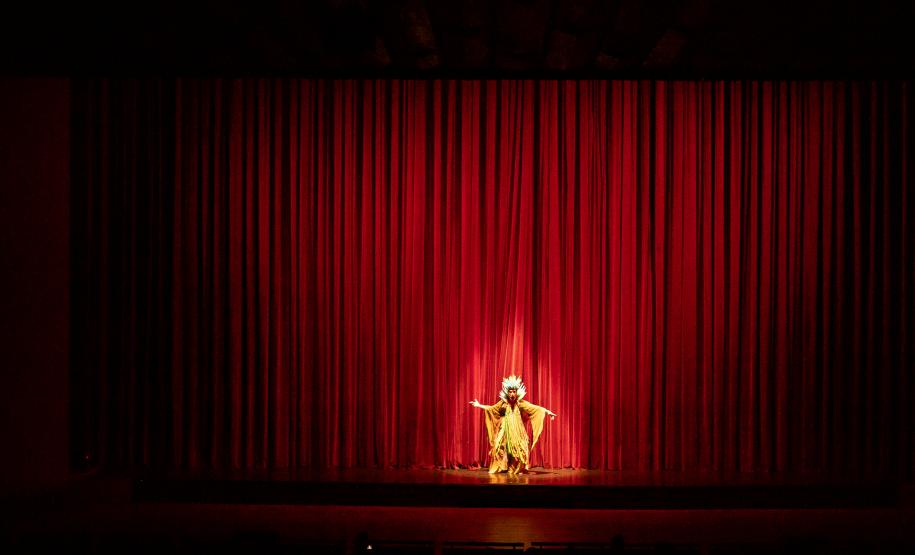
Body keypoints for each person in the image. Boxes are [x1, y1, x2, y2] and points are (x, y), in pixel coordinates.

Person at [469, 374, 557, 474]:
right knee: (499, 447)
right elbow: (492, 409)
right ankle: (502, 466)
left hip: (517, 430)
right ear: (507, 392)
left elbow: (535, 408)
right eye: (510, 391)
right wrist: (479, 405)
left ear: (516, 392)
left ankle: (516, 468)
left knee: (519, 448)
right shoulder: (503, 403)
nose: (512, 394)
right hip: (504, 429)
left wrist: (547, 412)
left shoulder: (520, 403)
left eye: (514, 391)